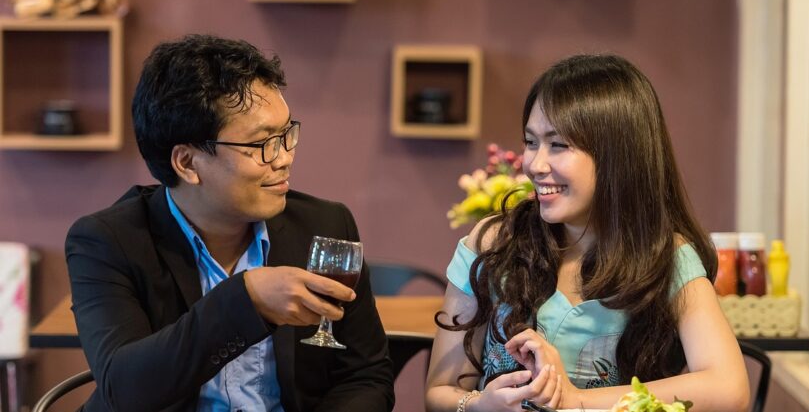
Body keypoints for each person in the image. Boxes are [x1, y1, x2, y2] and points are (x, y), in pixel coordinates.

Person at [66, 34, 394, 412]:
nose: (284, 157)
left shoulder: (325, 226)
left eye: (286, 134)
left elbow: (366, 376)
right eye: (262, 144)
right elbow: (124, 388)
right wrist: (247, 300)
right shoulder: (107, 241)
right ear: (187, 163)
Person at [425, 54, 750, 412]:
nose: (535, 164)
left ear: (618, 156)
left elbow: (729, 388)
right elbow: (439, 392)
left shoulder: (666, 258)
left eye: (558, 145)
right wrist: (478, 406)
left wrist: (575, 400)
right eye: (531, 142)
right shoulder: (492, 243)